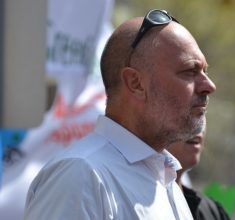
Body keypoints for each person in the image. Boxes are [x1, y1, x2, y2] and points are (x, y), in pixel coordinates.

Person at [24, 9, 216, 219]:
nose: (209, 86)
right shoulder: (81, 174)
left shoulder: (166, 177)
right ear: (136, 83)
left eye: (205, 72)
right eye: (189, 71)